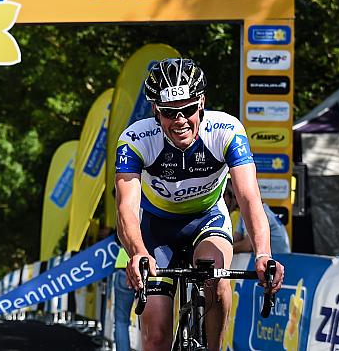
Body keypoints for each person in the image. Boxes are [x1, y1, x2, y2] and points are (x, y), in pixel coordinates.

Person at [115, 58, 284, 351]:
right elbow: (126, 208)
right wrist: (138, 252)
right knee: (156, 337)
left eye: (188, 109)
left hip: (208, 220)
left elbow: (248, 196)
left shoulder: (226, 130)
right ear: (155, 110)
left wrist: (263, 254)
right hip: (157, 230)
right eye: (169, 112)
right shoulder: (135, 139)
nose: (179, 120)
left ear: (201, 102)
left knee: (215, 279)